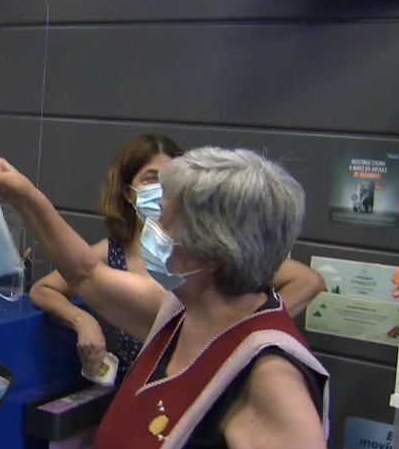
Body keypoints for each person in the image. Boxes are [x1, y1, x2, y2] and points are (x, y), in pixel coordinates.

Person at [0, 148, 330, 449]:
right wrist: (23, 195)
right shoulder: (182, 313)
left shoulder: (271, 379)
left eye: (165, 221)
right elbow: (86, 274)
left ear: (212, 254)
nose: (152, 227)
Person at [30, 135, 327, 378]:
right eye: (150, 178)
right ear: (127, 192)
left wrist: (238, 336)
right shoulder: (112, 253)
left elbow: (308, 281)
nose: (161, 189)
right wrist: (83, 320)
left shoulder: (206, 254)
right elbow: (72, 277)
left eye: (170, 179)